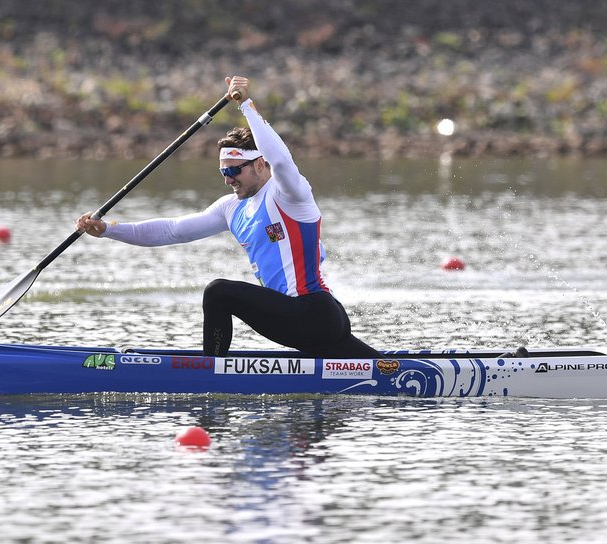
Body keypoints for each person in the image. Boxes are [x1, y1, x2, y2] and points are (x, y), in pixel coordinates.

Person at [76, 76, 380, 359]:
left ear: (259, 164)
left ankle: (210, 371)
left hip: (312, 312)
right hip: (304, 321)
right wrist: (107, 230)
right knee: (383, 371)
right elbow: (172, 231)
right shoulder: (231, 208)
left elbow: (281, 159)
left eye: (234, 171)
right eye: (223, 172)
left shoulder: (289, 194)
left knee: (218, 292)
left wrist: (246, 106)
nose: (228, 180)